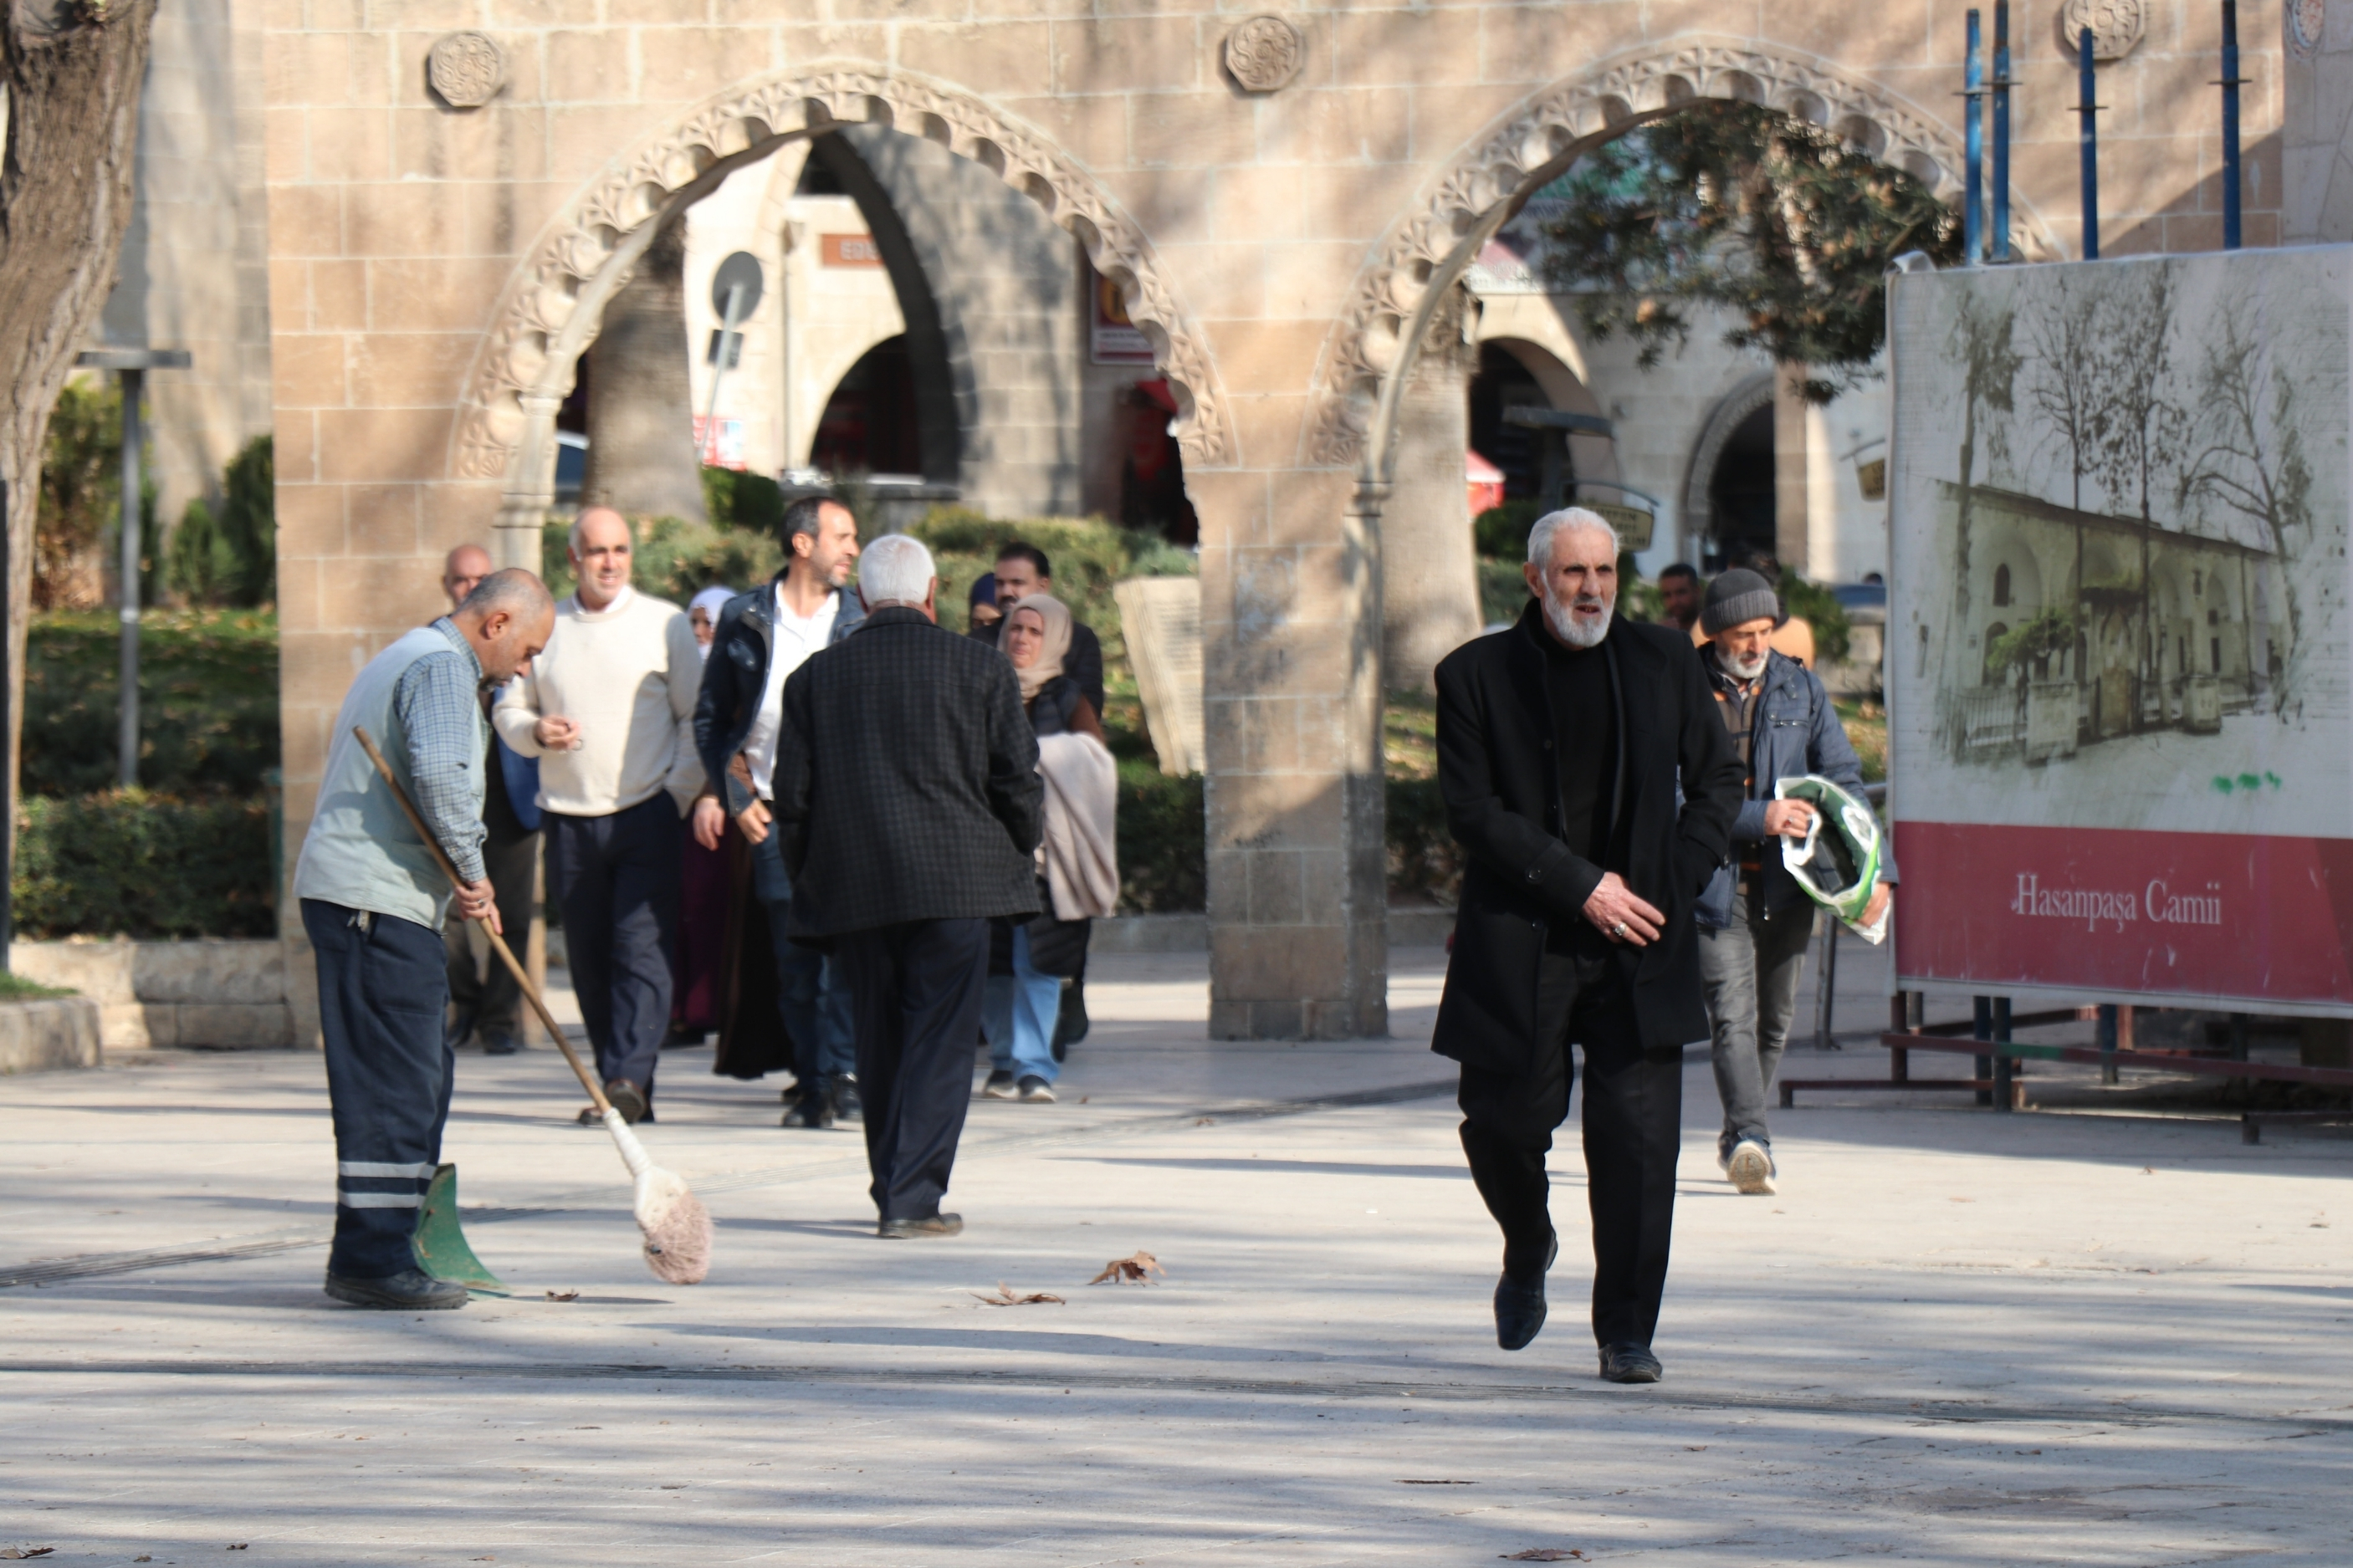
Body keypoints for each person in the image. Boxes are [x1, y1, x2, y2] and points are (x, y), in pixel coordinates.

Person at [1432, 508, 1743, 1381]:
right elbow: (1471, 813)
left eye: (1604, 572)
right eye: (1573, 573)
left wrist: (1673, 879)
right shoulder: (1471, 677)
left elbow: (1718, 779)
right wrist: (1582, 887)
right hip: (1520, 940)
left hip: (1638, 941)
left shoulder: (1663, 664)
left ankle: (1625, 1333)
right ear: (1534, 579)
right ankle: (1527, 1244)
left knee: (1638, 1149)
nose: (1592, 589)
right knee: (1498, 1125)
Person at [294, 569, 556, 1310]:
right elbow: (442, 778)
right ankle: (374, 1259)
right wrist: (475, 874)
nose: (525, 666)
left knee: (415, 1073)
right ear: (496, 623)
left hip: (372, 898)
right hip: (373, 903)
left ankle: (385, 1241)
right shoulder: (443, 667)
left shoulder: (414, 654)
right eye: (529, 648)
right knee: (395, 1080)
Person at [768, 534, 1042, 1239]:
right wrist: (1019, 844)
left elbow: (791, 798)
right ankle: (911, 1196)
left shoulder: (813, 679)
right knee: (941, 1039)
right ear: (931, 593)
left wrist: (809, 877)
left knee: (877, 1036)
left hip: (856, 885)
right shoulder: (980, 670)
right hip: (956, 882)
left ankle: (893, 1182)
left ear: (861, 596)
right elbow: (1015, 778)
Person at [494, 509, 703, 1125]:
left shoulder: (665, 623)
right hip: (567, 819)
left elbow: (696, 716)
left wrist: (678, 794)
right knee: (588, 956)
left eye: (620, 550)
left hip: (647, 812)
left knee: (641, 950)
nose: (610, 562)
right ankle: (617, 1079)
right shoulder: (546, 625)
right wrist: (536, 729)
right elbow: (509, 708)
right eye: (596, 551)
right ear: (572, 559)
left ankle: (627, 1076)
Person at [1694, 569, 1895, 1197]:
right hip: (1714, 885)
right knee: (1732, 1015)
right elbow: (1672, 797)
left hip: (1787, 884)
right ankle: (1754, 1139)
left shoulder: (1798, 687)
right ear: (1715, 633)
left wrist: (1877, 873)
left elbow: (1844, 778)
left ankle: (1737, 1130)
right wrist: (1759, 817)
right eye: (1740, 635)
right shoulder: (1680, 690)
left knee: (1775, 1020)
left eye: (1762, 632)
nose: (1754, 646)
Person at [693, 496, 865, 1128]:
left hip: (845, 817)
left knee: (845, 956)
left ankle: (844, 1071)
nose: (851, 548)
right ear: (802, 544)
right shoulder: (744, 617)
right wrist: (735, 795)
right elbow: (712, 721)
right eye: (841, 536)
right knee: (796, 964)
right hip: (771, 815)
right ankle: (811, 1079)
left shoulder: (859, 617)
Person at [980, 594, 1116, 1104]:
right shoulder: (983, 686)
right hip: (988, 852)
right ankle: (1003, 1058)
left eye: (1035, 632)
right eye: (1016, 629)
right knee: (991, 966)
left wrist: (1042, 760)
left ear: (1054, 638)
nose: (1021, 640)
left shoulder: (1066, 698)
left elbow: (1096, 763)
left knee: (1036, 962)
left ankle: (1035, 1066)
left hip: (1046, 856)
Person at [435, 545, 540, 1057]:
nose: (469, 588)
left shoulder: (518, 638)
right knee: (451, 915)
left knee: (514, 913)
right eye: (461, 580)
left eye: (480, 579)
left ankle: (500, 1020)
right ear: (446, 585)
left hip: (509, 793)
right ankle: (465, 1004)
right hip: (453, 794)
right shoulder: (437, 650)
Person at [672, 586, 739, 1043]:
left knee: (722, 912)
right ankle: (686, 1013)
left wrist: (714, 793)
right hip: (680, 808)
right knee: (685, 911)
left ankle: (720, 1010)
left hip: (728, 810)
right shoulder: (678, 669)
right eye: (693, 623)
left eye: (708, 623)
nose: (699, 633)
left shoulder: (738, 669)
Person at [972, 544, 1105, 718]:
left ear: (1043, 585)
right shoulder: (978, 641)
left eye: (1017, 583)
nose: (1006, 591)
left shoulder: (1078, 639)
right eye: (999, 583)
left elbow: (1089, 707)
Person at [1655, 563, 1701, 636]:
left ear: (1697, 592)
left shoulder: (1714, 633)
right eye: (1667, 595)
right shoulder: (1660, 634)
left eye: (1681, 592)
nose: (1674, 602)